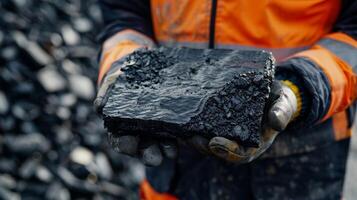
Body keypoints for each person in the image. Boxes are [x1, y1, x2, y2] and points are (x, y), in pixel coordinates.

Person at [94, 1, 357, 199]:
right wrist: (128, 65)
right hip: (174, 155)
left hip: (296, 162)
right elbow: (123, 10)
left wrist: (304, 85)